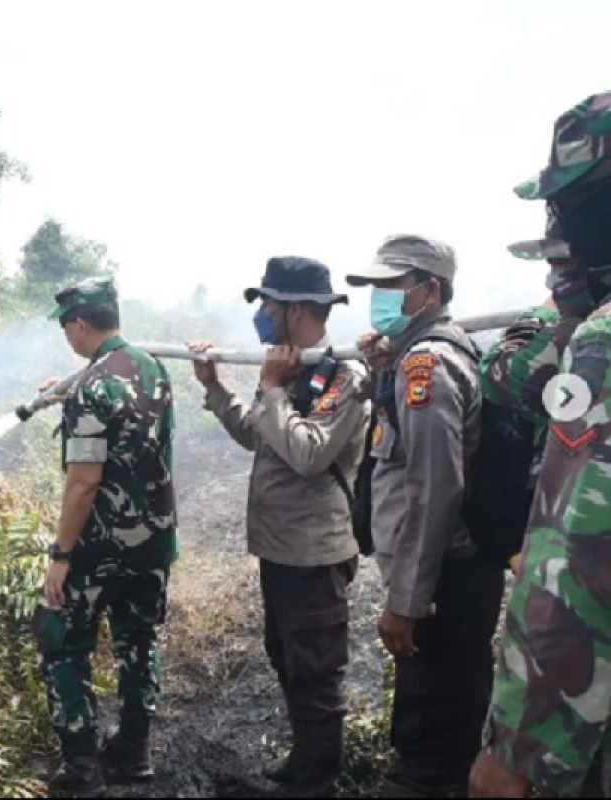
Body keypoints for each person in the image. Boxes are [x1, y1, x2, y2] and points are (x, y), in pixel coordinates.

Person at [471, 90, 611, 799]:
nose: (558, 224)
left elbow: (582, 557)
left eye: (569, 201)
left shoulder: (601, 339)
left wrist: (520, 745)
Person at [188, 256, 368, 797]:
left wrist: (270, 387)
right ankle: (303, 760)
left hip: (314, 552)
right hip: (281, 549)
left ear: (296, 309)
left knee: (316, 670)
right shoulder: (296, 373)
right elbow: (259, 435)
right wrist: (216, 388)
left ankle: (317, 784)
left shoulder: (345, 376)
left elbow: (309, 454)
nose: (262, 315)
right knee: (285, 654)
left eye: (269, 304)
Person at [348, 236, 505, 798]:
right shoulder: (419, 354)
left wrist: (407, 603)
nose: (379, 300)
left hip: (443, 585)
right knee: (447, 723)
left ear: (428, 290)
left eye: (391, 287)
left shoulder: (427, 364)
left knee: (429, 753)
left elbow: (433, 488)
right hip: (452, 576)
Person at [34, 277, 178, 798]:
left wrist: (61, 555)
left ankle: (82, 771)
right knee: (138, 643)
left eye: (67, 328)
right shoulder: (151, 368)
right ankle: (134, 756)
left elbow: (84, 482)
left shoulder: (92, 388)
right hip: (154, 545)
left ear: (80, 324)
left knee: (62, 643)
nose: (67, 338)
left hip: (99, 552)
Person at [480, 210, 594, 575]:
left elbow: (503, 375)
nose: (555, 277)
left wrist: (541, 315)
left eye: (563, 265)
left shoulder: (584, 333)